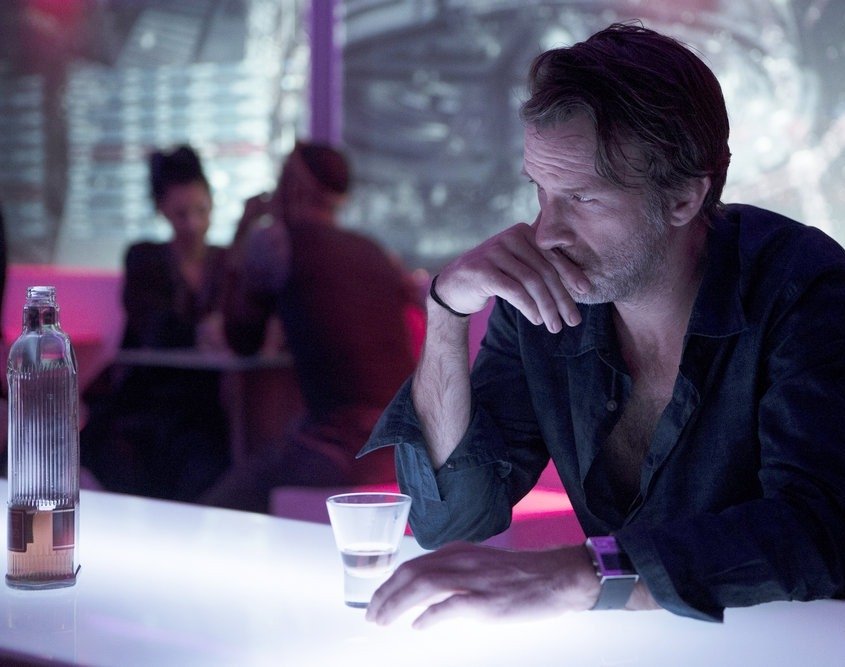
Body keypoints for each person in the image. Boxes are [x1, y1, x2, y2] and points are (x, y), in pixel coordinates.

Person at [359, 22, 845, 628]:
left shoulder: (806, 291)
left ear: (683, 199)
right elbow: (450, 520)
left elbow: (818, 531)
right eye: (540, 191)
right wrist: (446, 310)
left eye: (582, 198)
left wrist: (580, 575)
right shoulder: (544, 296)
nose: (546, 232)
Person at [200, 141, 422, 513]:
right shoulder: (375, 251)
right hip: (406, 447)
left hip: (340, 451)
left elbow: (242, 339)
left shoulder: (277, 244)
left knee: (214, 512)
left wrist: (243, 233)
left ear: (294, 185)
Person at [80, 145, 231, 501]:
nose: (193, 224)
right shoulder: (145, 259)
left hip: (206, 405)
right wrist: (203, 332)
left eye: (201, 211)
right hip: (148, 402)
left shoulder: (225, 262)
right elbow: (157, 329)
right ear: (162, 210)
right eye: (181, 214)